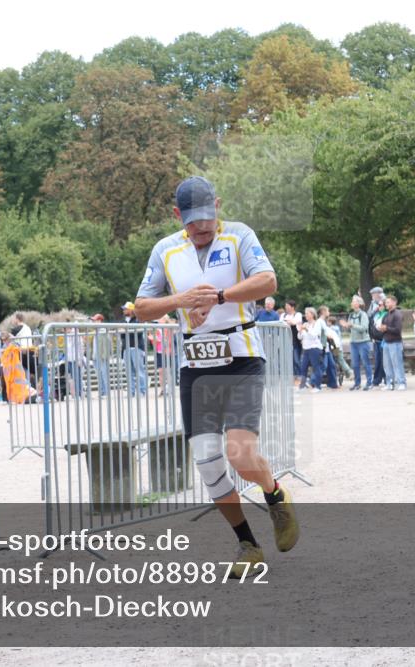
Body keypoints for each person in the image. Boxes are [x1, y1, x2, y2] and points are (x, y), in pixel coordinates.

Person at [134, 175, 298, 577]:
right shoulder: (166, 250)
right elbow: (141, 306)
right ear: (177, 216)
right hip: (196, 367)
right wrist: (181, 300)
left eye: (207, 218)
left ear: (218, 207)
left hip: (241, 358)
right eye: (191, 221)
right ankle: (247, 544)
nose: (201, 227)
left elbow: (268, 281)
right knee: (207, 462)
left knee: (240, 453)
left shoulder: (239, 237)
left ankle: (274, 494)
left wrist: (218, 297)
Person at [377, 295, 405, 391]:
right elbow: (384, 327)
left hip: (395, 342)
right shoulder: (386, 315)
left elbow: (398, 330)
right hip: (386, 342)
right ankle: (390, 383)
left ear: (394, 303)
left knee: (397, 364)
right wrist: (381, 329)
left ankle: (401, 382)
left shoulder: (398, 314)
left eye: (388, 302)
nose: (386, 304)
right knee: (387, 364)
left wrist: (386, 328)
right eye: (386, 302)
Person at [119, 301, 148, 396]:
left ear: (131, 310)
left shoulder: (138, 319)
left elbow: (138, 333)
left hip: (136, 348)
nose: (124, 310)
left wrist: (125, 330)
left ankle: (142, 391)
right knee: (129, 372)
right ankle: (131, 392)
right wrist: (127, 331)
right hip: (126, 348)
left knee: (139, 370)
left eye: (125, 309)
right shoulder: (125, 320)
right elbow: (122, 336)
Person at [347, 295, 374, 391]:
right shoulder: (351, 315)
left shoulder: (363, 315)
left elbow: (363, 328)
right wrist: (347, 326)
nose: (352, 303)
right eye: (352, 301)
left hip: (363, 342)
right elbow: (350, 328)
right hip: (353, 342)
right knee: (355, 364)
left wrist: (352, 325)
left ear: (359, 303)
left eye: (353, 301)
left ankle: (369, 383)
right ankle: (357, 383)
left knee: (366, 363)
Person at [298, 307, 327, 392]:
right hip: (306, 349)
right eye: (305, 313)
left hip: (315, 348)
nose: (306, 315)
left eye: (307, 313)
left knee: (316, 367)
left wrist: (306, 329)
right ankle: (302, 386)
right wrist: (300, 331)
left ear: (312, 314)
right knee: (303, 367)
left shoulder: (317, 323)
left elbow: (314, 335)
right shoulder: (306, 324)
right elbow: (300, 337)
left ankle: (318, 387)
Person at [367, 287, 387, 387]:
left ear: (379, 294)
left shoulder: (384, 303)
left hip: (384, 338)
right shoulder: (373, 304)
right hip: (375, 337)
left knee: (385, 359)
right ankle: (377, 379)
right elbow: (369, 317)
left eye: (374, 294)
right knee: (378, 359)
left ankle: (386, 378)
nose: (372, 296)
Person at [90, 314, 113, 396]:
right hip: (96, 356)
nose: (92, 322)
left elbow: (107, 344)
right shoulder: (96, 330)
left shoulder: (103, 330)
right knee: (99, 375)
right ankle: (102, 391)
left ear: (100, 321)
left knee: (104, 374)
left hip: (102, 356)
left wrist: (105, 355)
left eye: (94, 320)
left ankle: (106, 392)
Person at [281, 300, 303, 380]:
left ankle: (299, 376)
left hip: (295, 341)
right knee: (288, 360)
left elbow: (294, 322)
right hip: (285, 340)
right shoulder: (283, 315)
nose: (286, 308)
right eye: (285, 306)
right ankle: (293, 376)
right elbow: (280, 323)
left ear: (292, 307)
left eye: (287, 306)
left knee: (296, 360)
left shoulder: (298, 314)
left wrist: (286, 322)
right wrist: (288, 322)